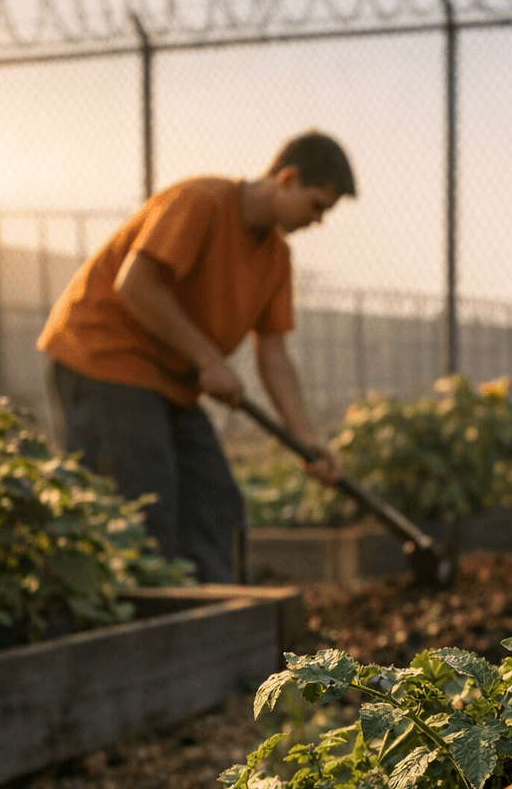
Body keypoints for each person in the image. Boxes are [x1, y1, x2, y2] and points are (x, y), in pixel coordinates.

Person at [38, 130, 352, 583]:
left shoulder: (276, 258)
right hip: (101, 357)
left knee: (216, 503)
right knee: (140, 505)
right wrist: (208, 359)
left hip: (169, 378)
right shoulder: (202, 202)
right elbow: (136, 284)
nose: (318, 220)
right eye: (318, 206)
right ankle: (135, 633)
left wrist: (308, 442)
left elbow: (275, 356)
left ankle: (213, 627)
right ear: (288, 178)